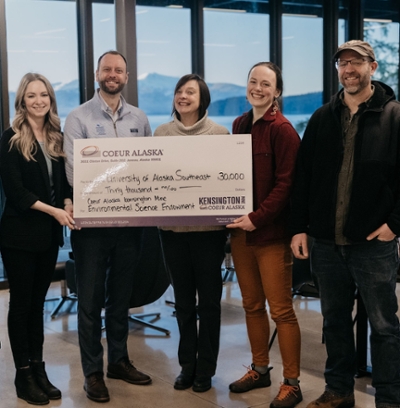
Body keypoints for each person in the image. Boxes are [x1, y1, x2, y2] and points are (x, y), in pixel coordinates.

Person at [290, 40, 400, 408]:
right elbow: (303, 177)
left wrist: (394, 226)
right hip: (326, 243)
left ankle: (388, 397)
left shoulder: (394, 116)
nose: (348, 69)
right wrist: (300, 226)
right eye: (342, 63)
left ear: (373, 66)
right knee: (334, 321)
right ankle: (338, 390)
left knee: (384, 328)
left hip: (373, 245)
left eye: (356, 62)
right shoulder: (323, 117)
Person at [63, 50, 152, 403]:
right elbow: (74, 173)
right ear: (96, 74)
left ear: (127, 77)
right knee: (89, 301)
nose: (112, 74)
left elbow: (148, 170)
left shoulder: (139, 120)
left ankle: (119, 361)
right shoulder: (77, 118)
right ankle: (92, 372)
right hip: (92, 227)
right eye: (107, 69)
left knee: (120, 298)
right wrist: (118, 180)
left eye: (119, 70)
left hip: (130, 225)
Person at [226, 62, 302, 408]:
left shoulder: (284, 130)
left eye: (266, 84)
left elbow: (287, 185)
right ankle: (260, 368)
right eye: (253, 81)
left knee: (281, 311)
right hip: (240, 235)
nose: (258, 87)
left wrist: (257, 218)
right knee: (251, 305)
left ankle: (292, 382)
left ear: (277, 92)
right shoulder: (239, 124)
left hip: (270, 234)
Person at [0, 73, 75, 405]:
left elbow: (65, 186)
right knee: (22, 305)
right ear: (22, 101)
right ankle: (23, 374)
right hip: (18, 236)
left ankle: (39, 369)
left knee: (38, 307)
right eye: (31, 96)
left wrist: (69, 205)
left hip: (48, 238)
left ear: (51, 99)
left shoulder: (57, 137)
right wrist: (56, 212)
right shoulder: (11, 138)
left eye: (43, 94)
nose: (38, 101)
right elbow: (16, 193)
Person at [154, 74, 228, 393]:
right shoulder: (161, 134)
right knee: (183, 302)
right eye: (179, 91)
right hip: (172, 232)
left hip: (209, 233)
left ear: (203, 99)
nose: (183, 96)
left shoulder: (221, 134)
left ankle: (206, 369)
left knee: (209, 302)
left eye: (190, 92)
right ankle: (187, 365)